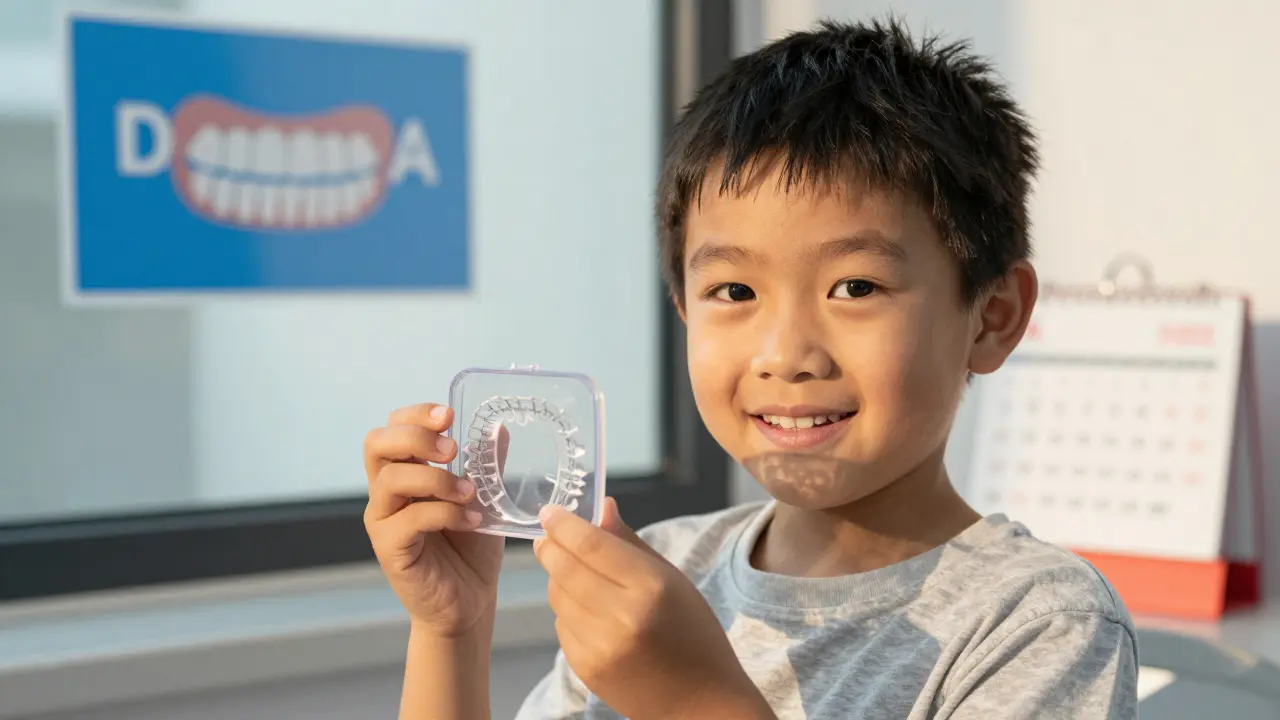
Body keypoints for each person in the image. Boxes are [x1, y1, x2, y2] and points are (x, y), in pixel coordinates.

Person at [362, 17, 1139, 720]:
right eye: (733, 291)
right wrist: (451, 631)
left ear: (993, 315)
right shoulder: (662, 566)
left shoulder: (1038, 624)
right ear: (683, 309)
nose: (785, 356)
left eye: (855, 287)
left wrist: (696, 702)